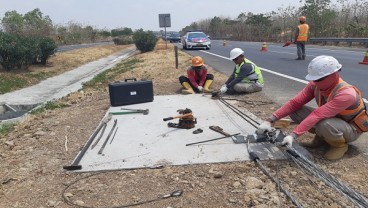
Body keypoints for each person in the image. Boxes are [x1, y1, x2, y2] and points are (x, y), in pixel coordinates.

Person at [257, 55, 368, 160]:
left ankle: (339, 145)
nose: (314, 82)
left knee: (325, 124)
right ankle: (322, 138)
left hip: (351, 129)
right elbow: (295, 102)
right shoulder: (315, 85)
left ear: (334, 74)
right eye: (314, 79)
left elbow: (318, 114)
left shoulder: (346, 94)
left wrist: (292, 136)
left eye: (319, 79)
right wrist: (269, 120)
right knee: (296, 110)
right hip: (333, 120)